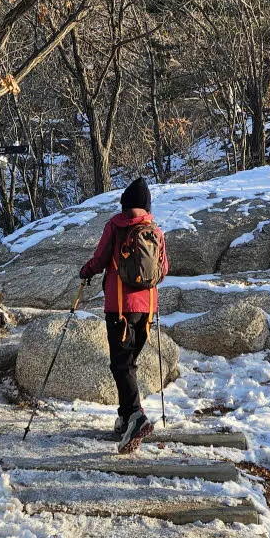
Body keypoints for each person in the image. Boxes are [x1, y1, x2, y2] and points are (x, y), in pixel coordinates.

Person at [79, 176, 168, 452]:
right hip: (147, 310)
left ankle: (135, 417)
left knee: (121, 364)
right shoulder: (155, 231)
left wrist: (87, 271)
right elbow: (164, 270)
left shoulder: (116, 227)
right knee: (128, 362)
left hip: (119, 307)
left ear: (125, 204)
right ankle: (126, 416)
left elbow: (100, 258)